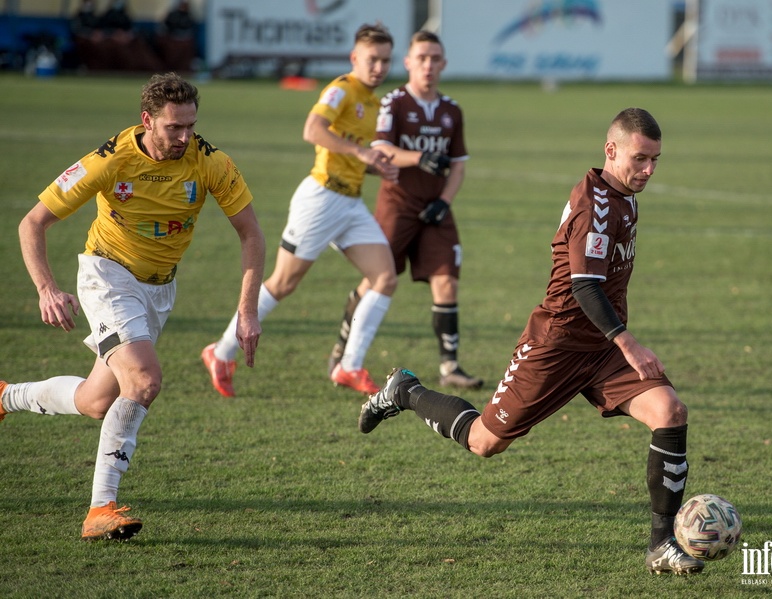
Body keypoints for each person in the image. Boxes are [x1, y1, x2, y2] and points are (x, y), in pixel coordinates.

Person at [357, 108, 706, 575]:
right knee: (484, 442)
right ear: (611, 150)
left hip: (599, 348)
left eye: (655, 160)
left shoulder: (624, 193)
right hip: (557, 344)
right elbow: (584, 287)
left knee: (670, 412)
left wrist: (616, 342)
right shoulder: (595, 206)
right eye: (640, 159)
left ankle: (661, 545)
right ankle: (405, 391)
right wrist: (629, 343)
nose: (648, 170)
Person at [0, 73, 266, 541]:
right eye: (173, 128)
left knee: (96, 400)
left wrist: (247, 309)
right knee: (143, 380)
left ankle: (5, 396)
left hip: (159, 290)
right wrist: (46, 288)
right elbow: (32, 223)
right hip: (108, 275)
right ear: (147, 120)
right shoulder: (111, 160)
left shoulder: (210, 162)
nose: (185, 137)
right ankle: (100, 508)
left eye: (191, 126)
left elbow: (251, 234)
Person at [202, 23, 399, 397]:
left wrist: (376, 166)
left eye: (385, 60)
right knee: (283, 283)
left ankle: (350, 365)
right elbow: (312, 129)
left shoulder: (374, 101)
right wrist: (360, 151)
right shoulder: (342, 89)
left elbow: (351, 151)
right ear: (355, 57)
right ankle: (221, 351)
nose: (379, 67)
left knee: (385, 278)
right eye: (372, 59)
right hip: (321, 200)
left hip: (350, 203)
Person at [327, 30, 482, 390]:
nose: (428, 65)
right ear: (409, 62)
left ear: (443, 64)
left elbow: (458, 164)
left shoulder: (451, 110)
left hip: (436, 208)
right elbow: (381, 149)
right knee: (376, 280)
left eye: (435, 58)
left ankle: (450, 367)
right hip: (396, 204)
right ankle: (341, 350)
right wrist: (419, 157)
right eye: (422, 58)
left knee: (447, 282)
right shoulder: (393, 102)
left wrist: (444, 201)